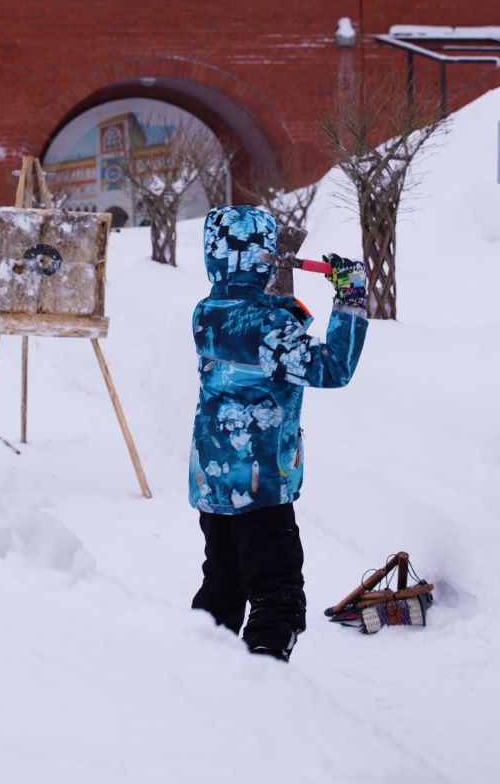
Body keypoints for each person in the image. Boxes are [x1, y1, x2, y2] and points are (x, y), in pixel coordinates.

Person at [189, 205, 368, 662]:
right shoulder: (270, 328)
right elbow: (333, 367)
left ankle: (200, 670)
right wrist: (350, 297)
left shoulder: (208, 312)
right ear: (262, 258)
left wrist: (283, 306)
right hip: (262, 486)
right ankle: (264, 679)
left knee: (222, 585)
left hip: (214, 482)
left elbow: (259, 333)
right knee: (279, 595)